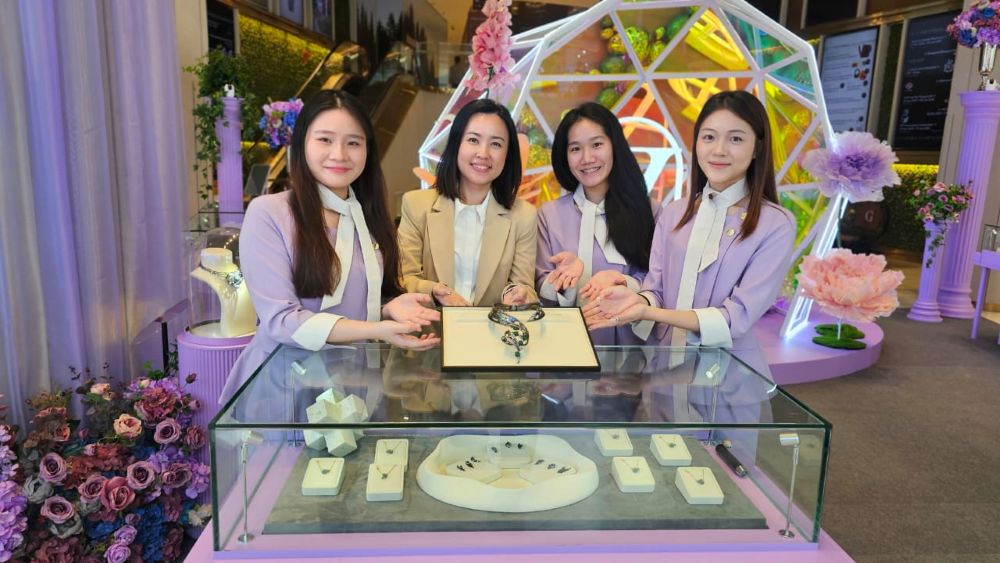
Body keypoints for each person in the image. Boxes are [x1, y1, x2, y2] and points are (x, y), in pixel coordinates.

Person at [220, 90, 440, 404]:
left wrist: (388, 307)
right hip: (287, 385)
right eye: (325, 139)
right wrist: (377, 329)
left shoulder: (368, 216)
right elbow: (282, 321)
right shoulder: (269, 213)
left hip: (353, 383)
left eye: (353, 143)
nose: (339, 154)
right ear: (302, 144)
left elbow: (354, 298)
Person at [583, 90, 795, 378]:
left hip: (731, 377)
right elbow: (656, 290)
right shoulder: (674, 213)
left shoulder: (775, 225)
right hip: (663, 372)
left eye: (735, 139)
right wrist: (637, 300)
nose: (718, 150)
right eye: (708, 137)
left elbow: (736, 318)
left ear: (757, 148)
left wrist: (647, 312)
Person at [398, 98, 538, 307]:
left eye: (496, 144)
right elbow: (404, 279)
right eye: (473, 140)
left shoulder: (524, 215)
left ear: (508, 154)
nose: (483, 153)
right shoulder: (416, 204)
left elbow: (523, 285)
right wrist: (434, 291)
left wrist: (518, 295)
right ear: (456, 144)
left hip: (494, 326)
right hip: (432, 325)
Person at [536, 102, 656, 345]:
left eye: (597, 144)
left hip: (632, 350)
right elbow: (540, 285)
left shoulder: (651, 211)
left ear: (614, 146)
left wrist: (623, 282)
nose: (587, 158)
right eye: (575, 149)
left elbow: (659, 281)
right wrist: (566, 281)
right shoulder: (549, 214)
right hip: (566, 347)